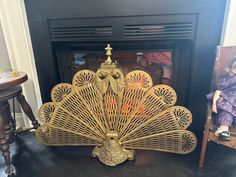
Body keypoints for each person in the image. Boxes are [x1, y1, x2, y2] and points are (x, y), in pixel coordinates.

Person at [207, 57, 236, 141]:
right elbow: (218, 91)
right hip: (227, 104)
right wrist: (214, 105)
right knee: (226, 113)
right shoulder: (227, 80)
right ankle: (223, 130)